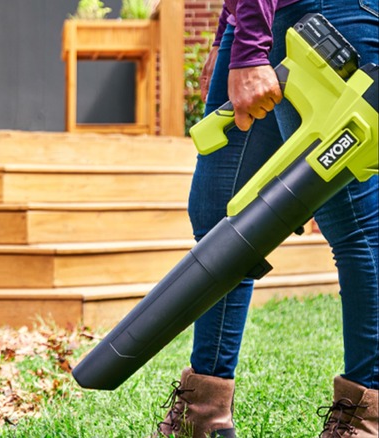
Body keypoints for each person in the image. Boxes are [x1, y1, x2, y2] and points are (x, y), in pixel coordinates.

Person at [150, 0, 379, 436]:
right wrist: (229, 31)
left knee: (355, 225)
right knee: (219, 214)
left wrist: (251, 47)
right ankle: (204, 413)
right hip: (260, 18)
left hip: (332, 13)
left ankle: (366, 416)